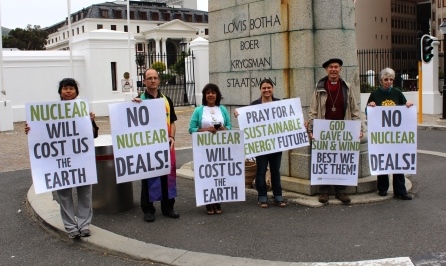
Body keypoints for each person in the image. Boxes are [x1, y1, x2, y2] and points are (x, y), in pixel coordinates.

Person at [25, 78, 98, 239]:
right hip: (60, 163)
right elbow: (41, 134)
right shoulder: (49, 112)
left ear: (76, 92)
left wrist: (91, 122)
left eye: (71, 88)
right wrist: (31, 130)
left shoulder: (83, 111)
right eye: (65, 88)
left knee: (85, 193)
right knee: (64, 194)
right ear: (60, 92)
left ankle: (84, 225)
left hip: (81, 161)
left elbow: (92, 135)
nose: (68, 91)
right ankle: (71, 227)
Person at [307, 58, 363, 205]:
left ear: (340, 69)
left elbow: (354, 109)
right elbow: (313, 111)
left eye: (336, 67)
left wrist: (359, 128)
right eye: (331, 67)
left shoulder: (347, 87)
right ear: (326, 70)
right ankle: (324, 191)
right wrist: (312, 129)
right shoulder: (319, 87)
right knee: (324, 159)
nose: (333, 69)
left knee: (341, 160)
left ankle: (341, 190)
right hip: (324, 130)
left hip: (343, 130)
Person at [132, 68, 179, 222]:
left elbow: (172, 121)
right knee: (148, 177)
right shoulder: (139, 100)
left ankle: (168, 207)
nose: (152, 80)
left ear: (159, 80)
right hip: (149, 146)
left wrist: (172, 136)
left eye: (155, 78)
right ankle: (148, 209)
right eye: (149, 78)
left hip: (166, 145)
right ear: (144, 81)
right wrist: (134, 105)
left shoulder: (167, 100)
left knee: (168, 175)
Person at [235, 79, 287, 208]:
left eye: (269, 87)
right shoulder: (254, 105)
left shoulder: (279, 103)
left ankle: (278, 196)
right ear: (260, 90)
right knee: (261, 171)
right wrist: (239, 114)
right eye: (264, 88)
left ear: (272, 89)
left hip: (276, 144)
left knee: (275, 171)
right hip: (261, 145)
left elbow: (288, 119)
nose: (266, 90)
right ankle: (262, 197)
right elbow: (246, 118)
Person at [366, 67, 413, 200]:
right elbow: (368, 110)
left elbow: (405, 106)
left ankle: (400, 190)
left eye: (391, 79)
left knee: (397, 161)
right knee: (383, 162)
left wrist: (408, 104)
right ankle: (383, 188)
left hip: (395, 135)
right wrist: (371, 106)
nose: (388, 82)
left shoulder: (397, 93)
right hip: (382, 135)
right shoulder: (375, 94)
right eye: (386, 79)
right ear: (381, 80)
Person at [189, 83, 232, 214]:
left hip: (220, 149)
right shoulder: (198, 110)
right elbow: (192, 129)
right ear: (204, 96)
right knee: (207, 175)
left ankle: (217, 201)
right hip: (204, 149)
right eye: (208, 93)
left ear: (217, 95)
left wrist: (224, 129)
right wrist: (206, 130)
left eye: (213, 92)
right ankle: (208, 202)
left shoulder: (222, 109)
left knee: (218, 174)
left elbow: (229, 126)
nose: (211, 95)